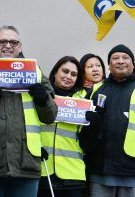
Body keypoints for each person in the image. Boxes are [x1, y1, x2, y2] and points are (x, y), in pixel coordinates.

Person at [0, 25, 58, 196]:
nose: (8, 45)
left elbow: (51, 116)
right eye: (3, 41)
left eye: (13, 42)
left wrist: (43, 99)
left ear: (20, 47)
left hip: (26, 164)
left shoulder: (34, 72)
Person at [79, 44, 135, 197]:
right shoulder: (96, 90)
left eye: (125, 57)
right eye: (115, 58)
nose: (120, 61)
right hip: (101, 168)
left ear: (132, 63)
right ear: (109, 65)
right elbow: (85, 129)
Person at [38, 56, 92, 197]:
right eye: (65, 71)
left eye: (74, 74)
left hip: (72, 175)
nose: (69, 76)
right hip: (42, 170)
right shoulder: (41, 96)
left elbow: (89, 141)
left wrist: (94, 125)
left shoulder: (85, 100)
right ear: (55, 72)